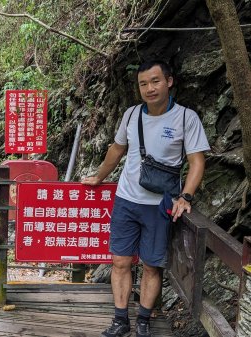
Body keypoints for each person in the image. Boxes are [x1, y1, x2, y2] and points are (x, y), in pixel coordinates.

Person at [81, 60, 210, 337]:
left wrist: (186, 196)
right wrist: (99, 177)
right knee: (120, 262)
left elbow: (196, 161)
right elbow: (116, 150)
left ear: (169, 81)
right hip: (126, 200)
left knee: (152, 265)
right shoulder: (131, 115)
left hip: (160, 205)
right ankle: (120, 320)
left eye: (155, 81)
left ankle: (143, 320)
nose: (149, 88)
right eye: (143, 84)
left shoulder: (186, 118)